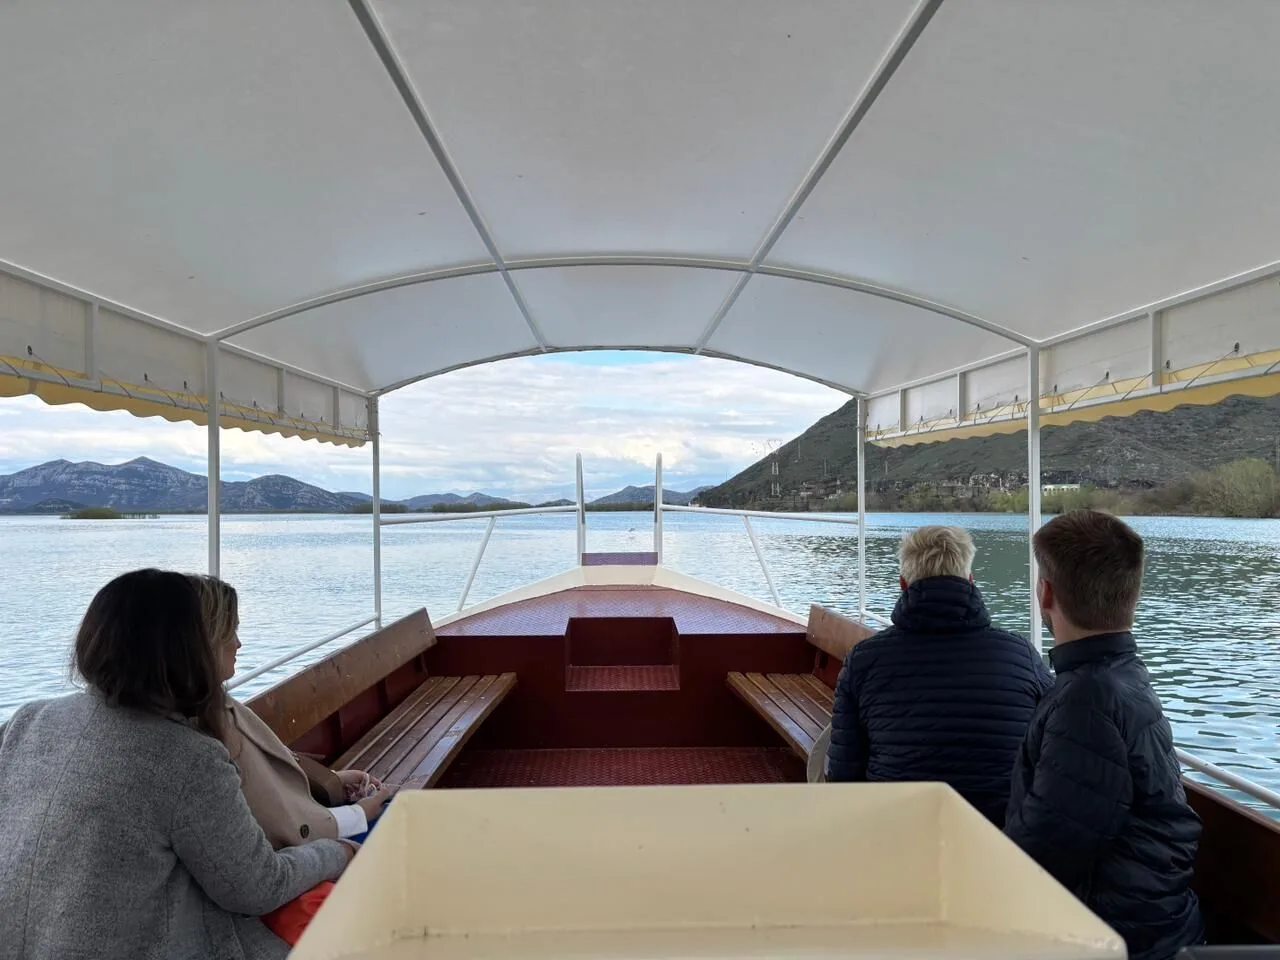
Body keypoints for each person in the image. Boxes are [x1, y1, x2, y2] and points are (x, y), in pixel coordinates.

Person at [0, 569, 353, 960]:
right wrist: (338, 852)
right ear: (188, 648)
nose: (236, 644)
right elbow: (255, 887)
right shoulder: (185, 758)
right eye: (217, 635)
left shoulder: (27, 720)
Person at [1005, 510, 1202, 960]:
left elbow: (1044, 857)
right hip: (1151, 922)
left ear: (1046, 594)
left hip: (1119, 938)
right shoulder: (1123, 675)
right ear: (1131, 595)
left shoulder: (1085, 701)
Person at [826, 525, 1053, 825]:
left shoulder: (864, 660)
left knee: (829, 744)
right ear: (971, 581)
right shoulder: (1022, 655)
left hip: (897, 832)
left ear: (903, 584)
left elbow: (844, 778)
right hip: (998, 837)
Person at [195, 575, 395, 848]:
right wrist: (360, 814)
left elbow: (268, 786)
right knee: (402, 818)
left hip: (313, 825)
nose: (238, 644)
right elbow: (280, 827)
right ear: (206, 639)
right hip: (307, 851)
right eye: (231, 631)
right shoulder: (207, 727)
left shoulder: (214, 705)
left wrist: (333, 782)